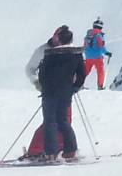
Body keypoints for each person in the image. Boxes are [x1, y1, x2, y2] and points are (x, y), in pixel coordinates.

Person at [36, 25, 85, 161]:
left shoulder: (50, 54)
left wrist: (44, 88)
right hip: (66, 91)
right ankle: (71, 150)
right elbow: (82, 73)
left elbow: (42, 74)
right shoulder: (76, 54)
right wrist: (75, 87)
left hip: (50, 92)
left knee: (50, 121)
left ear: (59, 39)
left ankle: (51, 153)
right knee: (63, 120)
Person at [82, 20, 111, 89]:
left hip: (88, 57)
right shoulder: (99, 35)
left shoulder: (88, 35)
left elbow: (84, 46)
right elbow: (101, 46)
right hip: (97, 57)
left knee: (85, 71)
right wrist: (106, 52)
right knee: (100, 71)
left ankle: (78, 83)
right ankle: (100, 86)